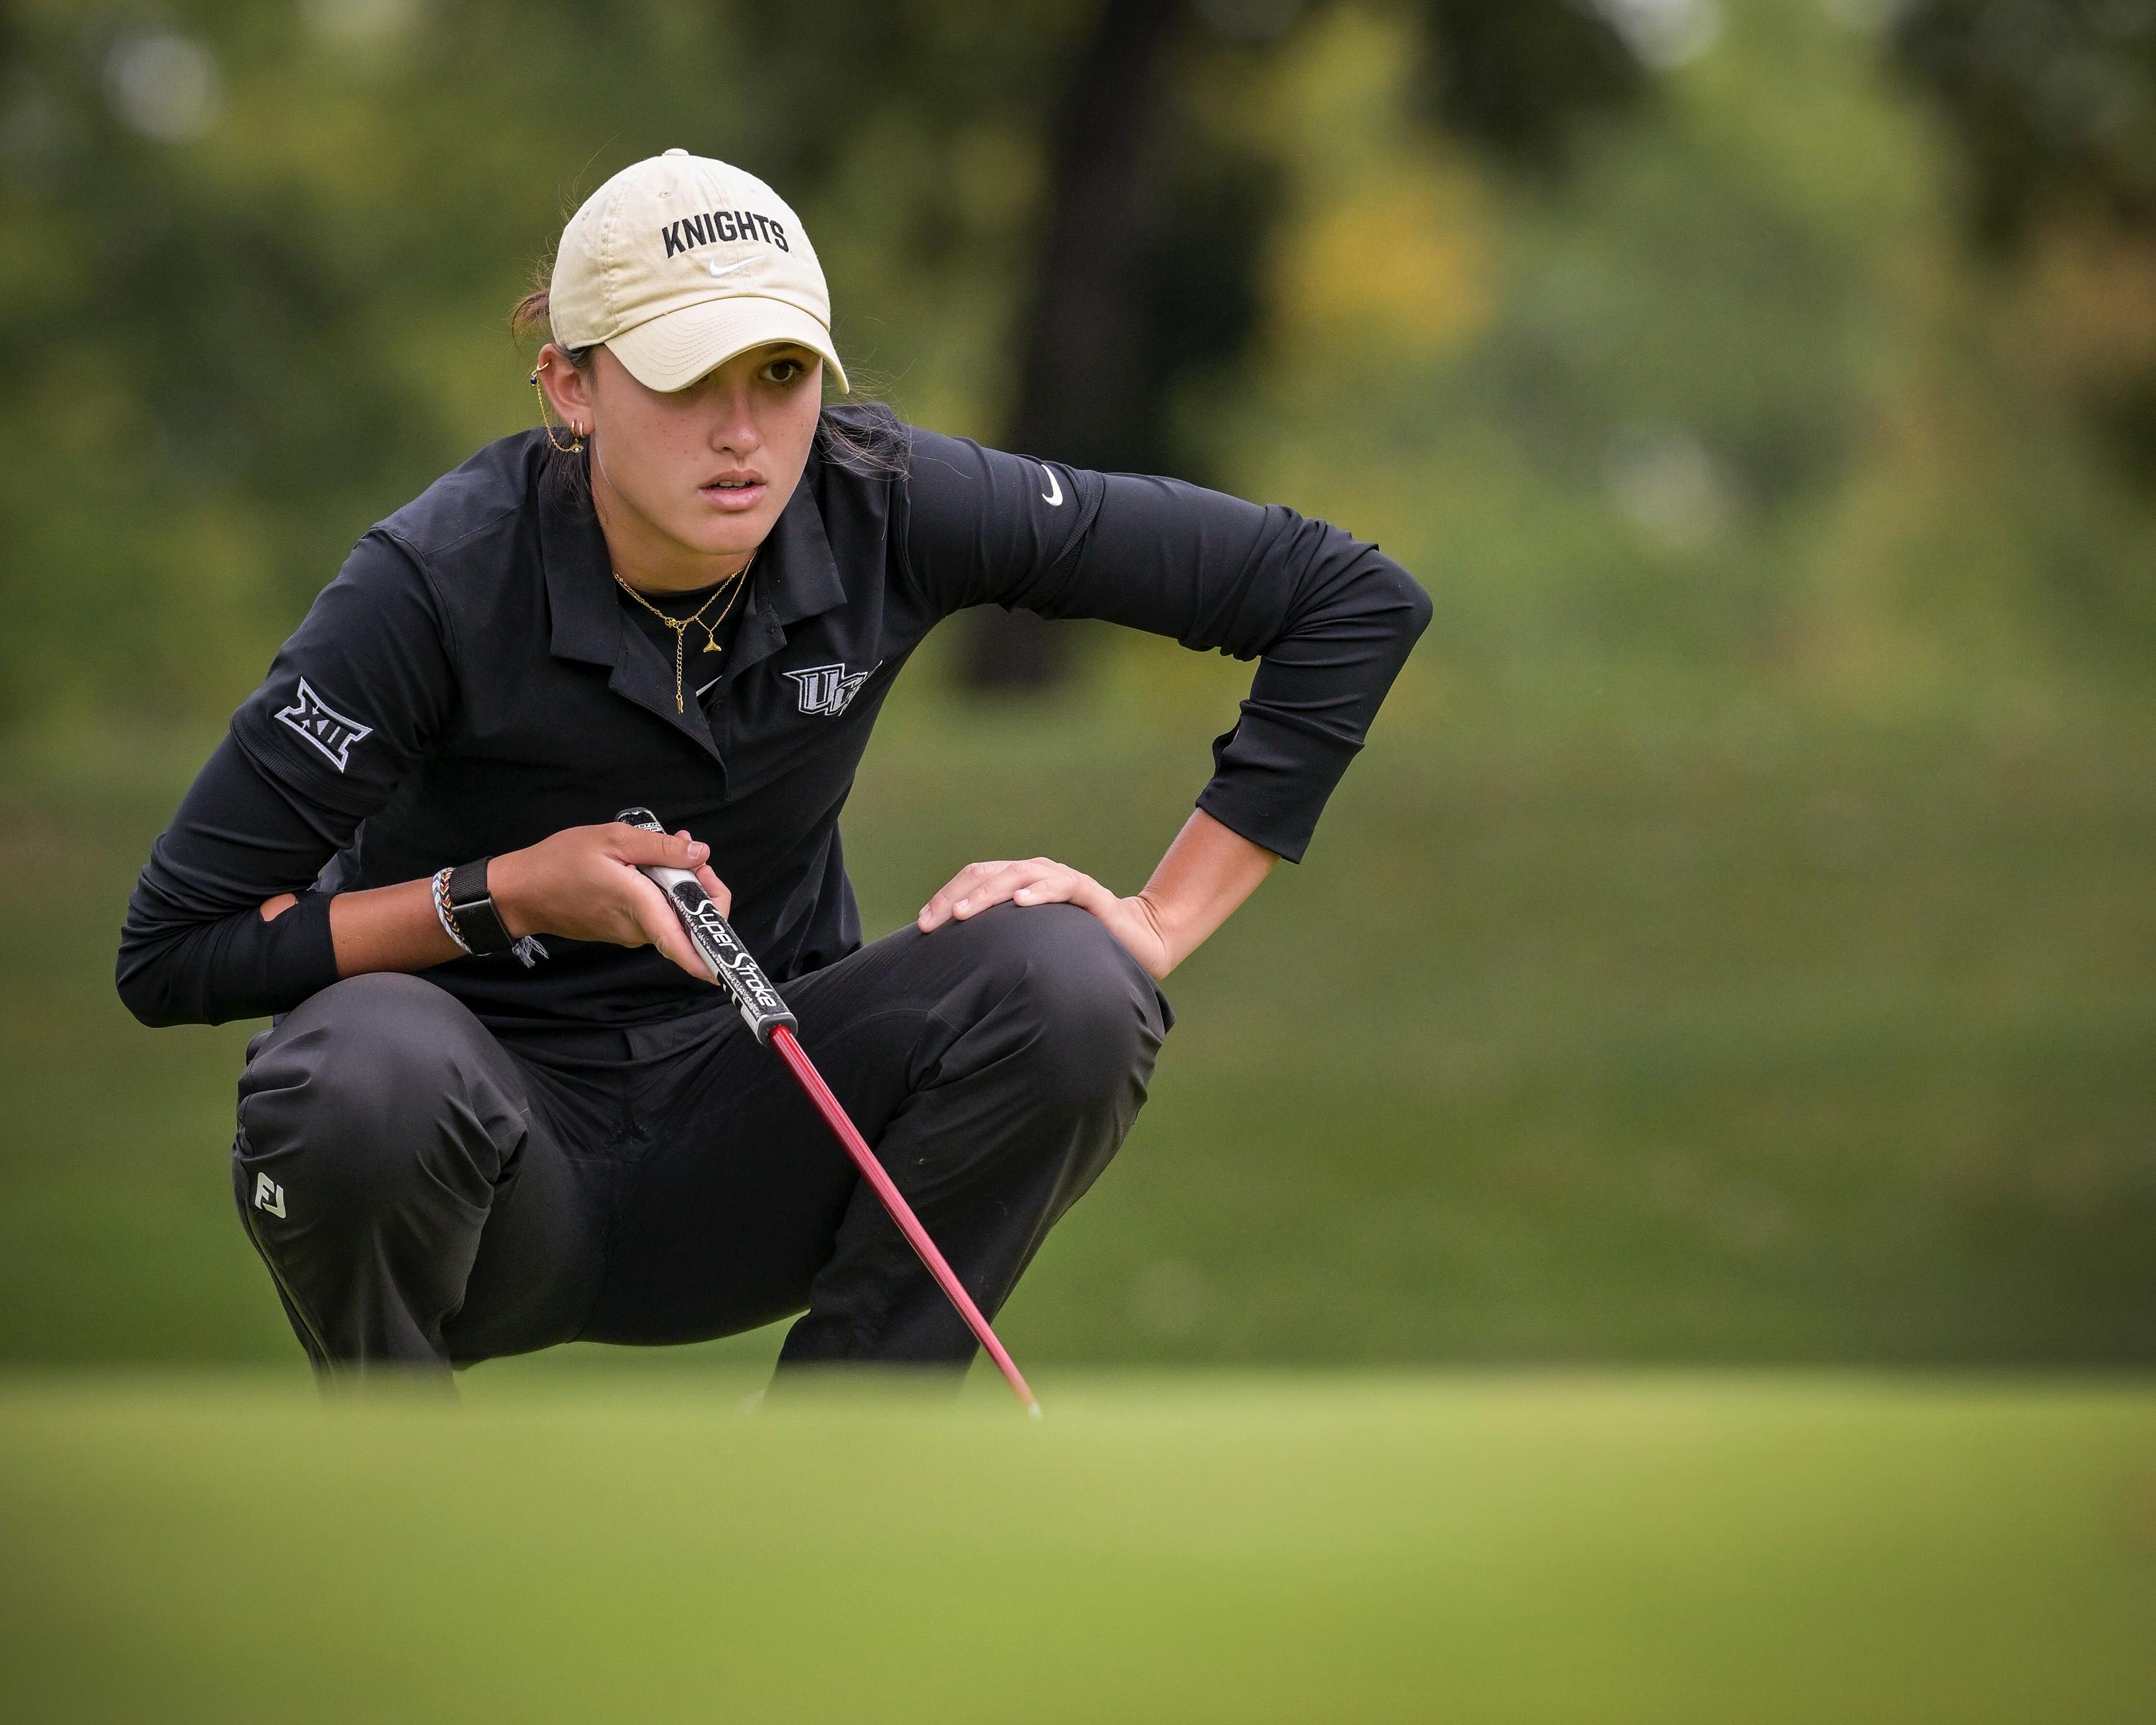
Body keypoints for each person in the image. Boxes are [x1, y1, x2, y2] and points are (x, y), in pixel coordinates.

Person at [115, 149, 1433, 1389]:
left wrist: (1156, 924)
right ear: (571, 386)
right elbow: (175, 950)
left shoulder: (882, 499)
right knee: (355, 1071)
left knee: (1075, 980)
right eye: (687, 381)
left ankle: (839, 1470)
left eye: (783, 372)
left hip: (760, 1140)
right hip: (476, 1181)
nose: (743, 433)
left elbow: (1344, 598)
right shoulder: (430, 584)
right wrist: (498, 895)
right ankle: (399, 1500)